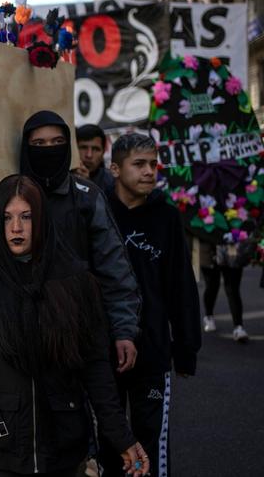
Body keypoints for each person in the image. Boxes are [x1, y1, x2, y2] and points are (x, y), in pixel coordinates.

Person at [0, 176, 149, 477]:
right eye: (7, 218)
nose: (16, 228)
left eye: (26, 216)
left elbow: (95, 365)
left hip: (61, 441)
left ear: (42, 219)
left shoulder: (74, 277)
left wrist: (121, 435)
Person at [98, 134, 201, 476]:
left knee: (151, 438)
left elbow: (181, 286)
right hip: (104, 348)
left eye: (153, 164)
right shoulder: (96, 212)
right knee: (109, 441)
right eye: (138, 164)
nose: (149, 172)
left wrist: (186, 347)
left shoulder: (167, 217)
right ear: (115, 168)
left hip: (153, 349)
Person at [19, 111, 141, 374]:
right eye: (39, 144)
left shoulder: (87, 197)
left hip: (82, 337)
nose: (48, 150)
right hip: (22, 340)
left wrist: (123, 330)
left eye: (57, 142)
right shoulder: (10, 198)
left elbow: (114, 267)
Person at [200, 239, 252, 342]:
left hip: (232, 246)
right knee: (212, 286)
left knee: (233, 288)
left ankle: (238, 327)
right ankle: (209, 315)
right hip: (209, 247)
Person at [74, 124, 114, 194]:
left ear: (103, 152)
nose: (89, 155)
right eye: (83, 147)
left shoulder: (112, 182)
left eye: (95, 149)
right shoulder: (63, 178)